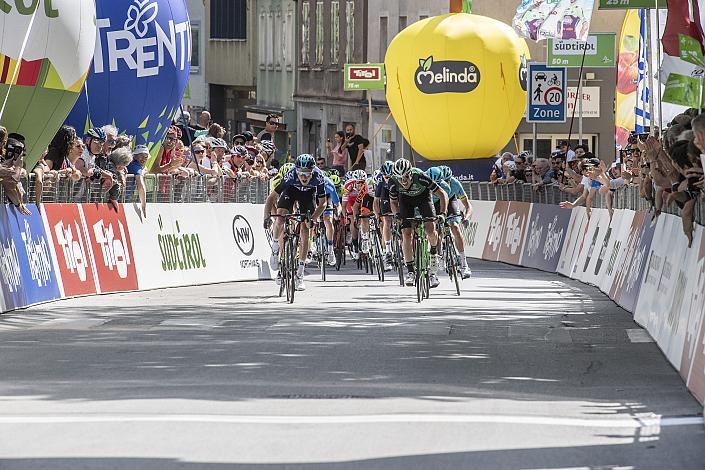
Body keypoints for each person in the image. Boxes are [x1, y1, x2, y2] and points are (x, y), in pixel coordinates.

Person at [264, 154, 328, 291]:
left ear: (313, 171)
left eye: (307, 174)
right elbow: (271, 198)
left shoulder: (319, 176)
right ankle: (275, 248)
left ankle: (300, 274)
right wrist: (266, 217)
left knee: (305, 227)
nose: (304, 177)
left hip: (308, 195)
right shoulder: (291, 175)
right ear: (296, 171)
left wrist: (313, 218)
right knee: (280, 217)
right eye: (301, 174)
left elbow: (323, 204)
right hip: (291, 191)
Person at [388, 159, 448, 289]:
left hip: (423, 198)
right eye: (400, 178)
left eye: (406, 177)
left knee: (431, 230)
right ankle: (410, 271)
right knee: (406, 234)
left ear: (411, 174)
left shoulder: (420, 177)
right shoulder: (393, 182)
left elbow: (442, 194)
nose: (403, 181)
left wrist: (443, 213)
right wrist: (396, 214)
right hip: (405, 201)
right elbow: (393, 202)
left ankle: (433, 258)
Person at [436, 166, 473, 279]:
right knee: (437, 230)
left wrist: (466, 217)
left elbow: (468, 205)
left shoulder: (455, 184)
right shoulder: (435, 184)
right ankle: (440, 255)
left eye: (448, 181)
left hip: (451, 201)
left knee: (455, 227)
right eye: (444, 181)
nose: (446, 183)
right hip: (437, 201)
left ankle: (464, 263)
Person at [374, 161, 395, 270]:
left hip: (396, 194)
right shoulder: (381, 183)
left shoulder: (397, 179)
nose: (387, 179)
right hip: (385, 196)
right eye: (385, 176)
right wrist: (378, 215)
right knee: (386, 220)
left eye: (389, 176)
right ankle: (388, 250)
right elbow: (376, 201)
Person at [126, 145, 149, 216]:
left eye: (146, 156)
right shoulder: (136, 167)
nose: (143, 159)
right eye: (141, 155)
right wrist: (144, 205)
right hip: (124, 198)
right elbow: (141, 186)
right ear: (135, 156)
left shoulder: (133, 165)